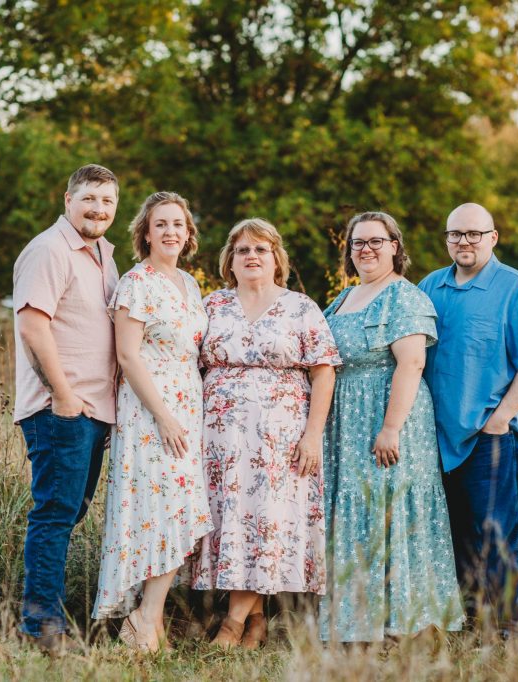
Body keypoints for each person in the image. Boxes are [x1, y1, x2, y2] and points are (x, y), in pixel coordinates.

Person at [191, 218, 340, 648]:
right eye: (242, 250)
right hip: (219, 440)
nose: (252, 256)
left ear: (276, 259)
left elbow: (324, 372)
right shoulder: (212, 305)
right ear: (229, 262)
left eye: (261, 249)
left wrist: (312, 435)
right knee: (233, 522)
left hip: (280, 439)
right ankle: (256, 618)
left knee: (267, 523)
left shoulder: (300, 307)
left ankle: (233, 623)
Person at [320, 211, 462, 643]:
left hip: (389, 415)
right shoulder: (343, 298)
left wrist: (391, 427)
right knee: (356, 511)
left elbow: (412, 362)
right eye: (357, 242)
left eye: (376, 241)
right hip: (346, 420)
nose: (366, 249)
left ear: (395, 246)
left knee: (390, 508)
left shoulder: (404, 297)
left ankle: (404, 617)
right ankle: (355, 616)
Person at [418, 202, 518, 639]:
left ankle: (515, 626)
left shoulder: (517, 289)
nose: (464, 242)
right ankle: (476, 618)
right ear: (446, 239)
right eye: (456, 234)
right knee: (457, 530)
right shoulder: (431, 287)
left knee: (498, 533)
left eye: (474, 234)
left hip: (491, 433)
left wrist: (501, 419)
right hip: (440, 436)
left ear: (493, 238)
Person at [92, 191, 213, 652]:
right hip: (149, 410)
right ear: (145, 232)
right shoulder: (136, 282)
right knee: (157, 510)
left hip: (188, 406)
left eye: (178, 224)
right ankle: (144, 618)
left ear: (188, 233)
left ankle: (150, 616)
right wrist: (162, 415)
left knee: (178, 509)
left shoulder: (189, 283)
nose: (170, 232)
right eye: (161, 224)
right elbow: (127, 354)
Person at [12, 164, 120, 655]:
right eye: (89, 198)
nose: (98, 209)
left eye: (107, 202)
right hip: (63, 408)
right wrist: (62, 394)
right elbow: (33, 326)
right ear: (67, 199)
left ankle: (48, 615)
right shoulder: (49, 250)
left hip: (95, 410)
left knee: (69, 511)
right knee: (55, 512)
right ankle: (42, 628)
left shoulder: (103, 255)